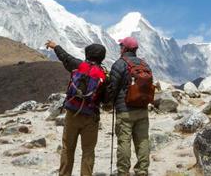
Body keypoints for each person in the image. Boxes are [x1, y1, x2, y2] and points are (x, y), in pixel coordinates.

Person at [45, 40, 107, 176]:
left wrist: (55, 46)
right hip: (91, 117)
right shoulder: (102, 75)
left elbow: (65, 57)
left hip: (72, 113)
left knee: (67, 149)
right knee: (88, 151)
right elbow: (106, 99)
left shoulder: (79, 65)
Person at [107, 37, 152, 176]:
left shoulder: (119, 64)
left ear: (125, 48)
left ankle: (123, 171)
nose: (120, 48)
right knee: (143, 141)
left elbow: (112, 88)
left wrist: (108, 102)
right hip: (142, 109)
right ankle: (142, 170)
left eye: (121, 45)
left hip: (125, 110)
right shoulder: (145, 65)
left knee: (124, 142)